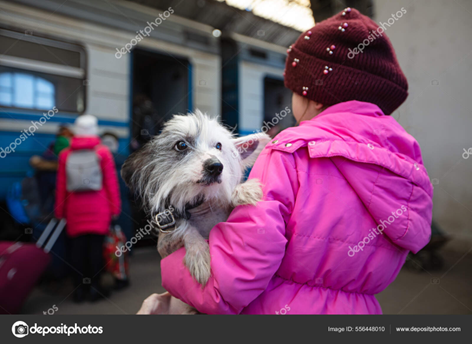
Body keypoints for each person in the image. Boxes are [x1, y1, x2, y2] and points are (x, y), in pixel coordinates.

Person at [139, 8, 433, 314]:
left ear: (315, 96)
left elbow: (227, 287)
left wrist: (173, 261)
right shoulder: (407, 168)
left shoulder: (289, 155)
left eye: (292, 90)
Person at [55, 115, 121, 302]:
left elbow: (61, 185)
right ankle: (95, 288)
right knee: (95, 249)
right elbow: (111, 183)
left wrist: (60, 211)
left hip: (74, 208)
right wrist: (115, 208)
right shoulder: (103, 153)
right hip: (99, 208)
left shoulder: (65, 155)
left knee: (76, 250)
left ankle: (79, 290)